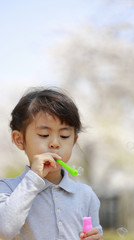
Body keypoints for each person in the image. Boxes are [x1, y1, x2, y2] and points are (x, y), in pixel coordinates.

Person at [0, 87, 103, 240]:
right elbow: (5, 230)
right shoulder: (8, 189)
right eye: (44, 135)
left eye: (64, 135)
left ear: (74, 141)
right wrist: (33, 179)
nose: (55, 143)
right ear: (19, 140)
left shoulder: (85, 195)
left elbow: (94, 233)